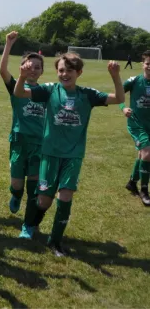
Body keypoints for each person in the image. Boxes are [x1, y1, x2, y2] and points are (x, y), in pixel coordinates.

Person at [14, 52, 124, 256]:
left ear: (79, 72)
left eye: (69, 70)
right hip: (50, 153)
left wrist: (115, 76)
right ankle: (29, 225)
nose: (65, 74)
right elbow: (20, 93)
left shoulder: (87, 95)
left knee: (65, 196)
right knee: (43, 201)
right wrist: (21, 76)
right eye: (61, 70)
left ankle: (55, 242)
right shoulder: (49, 90)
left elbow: (118, 98)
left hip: (73, 156)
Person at [0, 31, 46, 238]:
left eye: (37, 67)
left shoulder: (47, 91)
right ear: (23, 68)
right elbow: (2, 71)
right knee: (17, 185)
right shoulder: (17, 88)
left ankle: (28, 226)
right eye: (30, 66)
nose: (33, 70)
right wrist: (8, 44)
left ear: (42, 71)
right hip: (19, 143)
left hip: (39, 146)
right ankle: (15, 195)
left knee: (34, 188)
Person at [120, 50, 150, 206]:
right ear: (143, 64)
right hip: (136, 124)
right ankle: (144, 190)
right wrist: (123, 107)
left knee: (142, 154)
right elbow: (118, 94)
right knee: (147, 153)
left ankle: (132, 182)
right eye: (148, 64)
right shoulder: (135, 80)